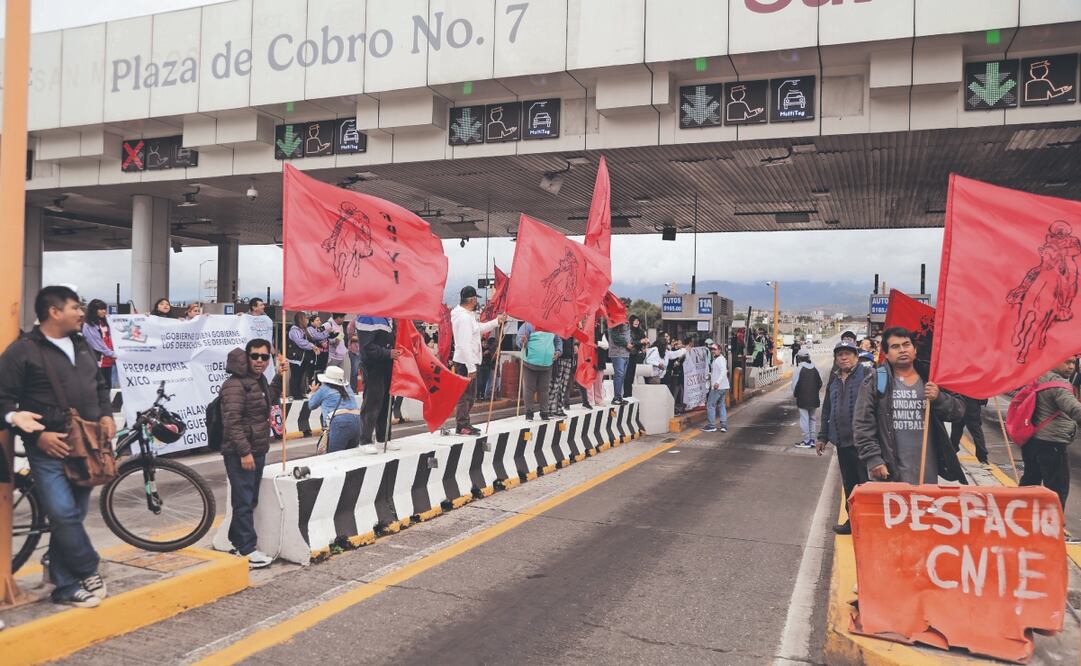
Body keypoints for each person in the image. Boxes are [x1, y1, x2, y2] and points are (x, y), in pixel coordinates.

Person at [0, 286, 115, 607]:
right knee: (63, 513)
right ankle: (87, 568)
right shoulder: (22, 351)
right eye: (75, 307)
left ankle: (61, 580)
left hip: (87, 444)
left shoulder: (81, 344)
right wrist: (37, 436)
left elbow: (100, 385)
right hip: (47, 447)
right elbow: (3, 399)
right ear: (54, 312)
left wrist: (106, 415)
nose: (82, 312)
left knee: (75, 514)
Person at [853, 327, 967, 485]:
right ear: (885, 354)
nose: (902, 350)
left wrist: (939, 398)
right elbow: (862, 424)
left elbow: (958, 412)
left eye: (906, 344)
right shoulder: (875, 380)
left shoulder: (932, 377)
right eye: (895, 346)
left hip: (927, 472)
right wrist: (874, 459)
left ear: (915, 349)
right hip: (889, 472)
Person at [219, 339, 286, 569]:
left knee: (249, 499)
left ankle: (237, 542)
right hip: (240, 453)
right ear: (246, 357)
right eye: (255, 356)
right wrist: (244, 452)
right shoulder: (234, 385)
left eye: (264, 357)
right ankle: (247, 549)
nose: (259, 361)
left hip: (257, 449)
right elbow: (232, 423)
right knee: (244, 500)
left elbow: (270, 398)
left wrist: (279, 376)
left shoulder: (260, 381)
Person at [1019, 355, 1081, 538]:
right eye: (1067, 362)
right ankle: (1054, 529)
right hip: (1052, 444)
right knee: (1057, 488)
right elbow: (1074, 410)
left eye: (1073, 363)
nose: (1071, 367)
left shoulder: (1038, 377)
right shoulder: (1058, 386)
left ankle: (1021, 518)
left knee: (1030, 481)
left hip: (1032, 440)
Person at [816, 340, 868, 535]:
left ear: (856, 356)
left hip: (864, 443)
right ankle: (852, 521)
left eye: (848, 353)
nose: (844, 357)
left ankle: (867, 523)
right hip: (842, 442)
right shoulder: (835, 379)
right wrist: (822, 436)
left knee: (866, 485)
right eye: (840, 354)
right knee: (849, 484)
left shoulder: (867, 375)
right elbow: (827, 408)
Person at [451, 286, 505, 435]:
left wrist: (496, 322)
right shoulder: (463, 318)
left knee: (470, 395)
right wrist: (471, 368)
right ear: (472, 299)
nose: (476, 302)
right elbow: (464, 343)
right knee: (466, 395)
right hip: (465, 362)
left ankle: (464, 423)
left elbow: (478, 329)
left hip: (467, 361)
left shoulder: (466, 316)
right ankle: (462, 424)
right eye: (475, 299)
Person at [355, 315, 401, 452]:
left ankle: (383, 438)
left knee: (387, 403)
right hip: (373, 367)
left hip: (388, 365)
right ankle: (365, 440)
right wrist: (388, 353)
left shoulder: (389, 318)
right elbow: (366, 348)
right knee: (372, 402)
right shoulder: (367, 316)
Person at [307, 365, 361, 454]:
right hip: (357, 420)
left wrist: (313, 392)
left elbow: (311, 405)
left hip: (339, 422)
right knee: (351, 456)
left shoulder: (324, 389)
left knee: (334, 456)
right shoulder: (348, 388)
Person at [516, 321, 561, 421]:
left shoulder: (552, 325)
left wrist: (558, 351)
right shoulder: (528, 325)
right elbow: (519, 341)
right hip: (530, 362)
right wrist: (522, 341)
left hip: (547, 363)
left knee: (544, 389)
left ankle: (544, 412)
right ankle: (529, 413)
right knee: (529, 388)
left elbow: (558, 341)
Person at [286, 312, 316, 438]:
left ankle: (299, 392)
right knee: (296, 376)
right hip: (295, 358)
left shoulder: (303, 330)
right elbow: (299, 342)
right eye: (305, 318)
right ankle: (295, 393)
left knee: (301, 376)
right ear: (300, 319)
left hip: (302, 358)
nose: (307, 320)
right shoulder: (294, 330)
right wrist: (312, 346)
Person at [82, 299, 117, 389]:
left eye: (105, 309)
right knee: (99, 388)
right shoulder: (89, 325)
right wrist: (111, 353)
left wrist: (144, 317)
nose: (104, 311)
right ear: (94, 310)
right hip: (98, 361)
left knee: (107, 387)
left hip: (109, 361)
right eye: (101, 309)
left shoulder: (106, 322)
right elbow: (96, 344)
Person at [792, 348, 822, 448]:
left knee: (804, 419)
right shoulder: (815, 368)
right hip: (814, 398)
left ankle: (806, 441)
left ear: (799, 358)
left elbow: (794, 385)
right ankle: (812, 440)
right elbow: (820, 383)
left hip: (803, 398)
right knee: (812, 419)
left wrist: (796, 394)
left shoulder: (799, 369)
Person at [949, 396, 989, 464]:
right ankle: (983, 458)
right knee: (976, 432)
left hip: (961, 403)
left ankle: (951, 454)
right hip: (971, 404)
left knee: (956, 431)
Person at [701, 343, 730, 433]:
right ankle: (723, 425)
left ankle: (711, 425)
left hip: (718, 387)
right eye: (712, 349)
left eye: (715, 349)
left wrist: (717, 382)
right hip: (723, 386)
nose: (713, 351)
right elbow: (718, 372)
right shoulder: (717, 359)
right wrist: (710, 375)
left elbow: (723, 371)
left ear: (719, 350)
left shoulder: (720, 359)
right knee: (721, 405)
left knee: (710, 405)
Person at [547, 334, 576, 417]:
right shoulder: (560, 327)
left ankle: (559, 409)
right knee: (555, 384)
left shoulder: (571, 328)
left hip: (569, 358)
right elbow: (556, 341)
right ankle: (550, 409)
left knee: (563, 386)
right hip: (559, 358)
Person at [624, 315, 649, 400]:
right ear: (631, 321)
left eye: (638, 320)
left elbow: (642, 343)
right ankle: (626, 395)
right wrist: (640, 341)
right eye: (634, 320)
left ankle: (629, 396)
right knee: (626, 377)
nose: (636, 322)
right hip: (627, 356)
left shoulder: (640, 331)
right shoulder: (628, 331)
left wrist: (645, 343)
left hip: (634, 356)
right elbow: (630, 342)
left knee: (631, 377)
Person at [607, 320, 631, 405]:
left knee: (621, 376)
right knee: (619, 374)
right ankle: (616, 398)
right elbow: (614, 336)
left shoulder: (623, 319)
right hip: (618, 353)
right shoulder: (615, 319)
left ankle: (619, 397)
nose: (626, 308)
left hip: (625, 353)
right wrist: (626, 344)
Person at [665, 337, 687, 414]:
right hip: (675, 375)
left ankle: (682, 406)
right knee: (675, 391)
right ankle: (673, 407)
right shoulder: (673, 352)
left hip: (682, 375)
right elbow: (671, 362)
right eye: (677, 343)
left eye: (679, 343)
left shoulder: (685, 353)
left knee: (682, 391)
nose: (677, 345)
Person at [323, 313, 349, 379]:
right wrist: (334, 341)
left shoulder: (340, 325)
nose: (344, 320)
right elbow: (320, 337)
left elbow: (341, 337)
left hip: (341, 356)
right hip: (332, 357)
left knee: (340, 378)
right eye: (343, 318)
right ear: (338, 318)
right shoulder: (328, 325)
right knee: (331, 378)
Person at [478, 334, 498, 402]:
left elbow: (491, 359)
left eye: (485, 342)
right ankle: (478, 396)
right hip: (480, 367)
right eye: (483, 342)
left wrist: (494, 355)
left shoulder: (489, 349)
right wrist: (483, 354)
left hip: (487, 367)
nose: (484, 344)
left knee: (484, 382)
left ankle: (483, 395)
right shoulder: (479, 349)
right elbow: (477, 358)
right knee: (480, 382)